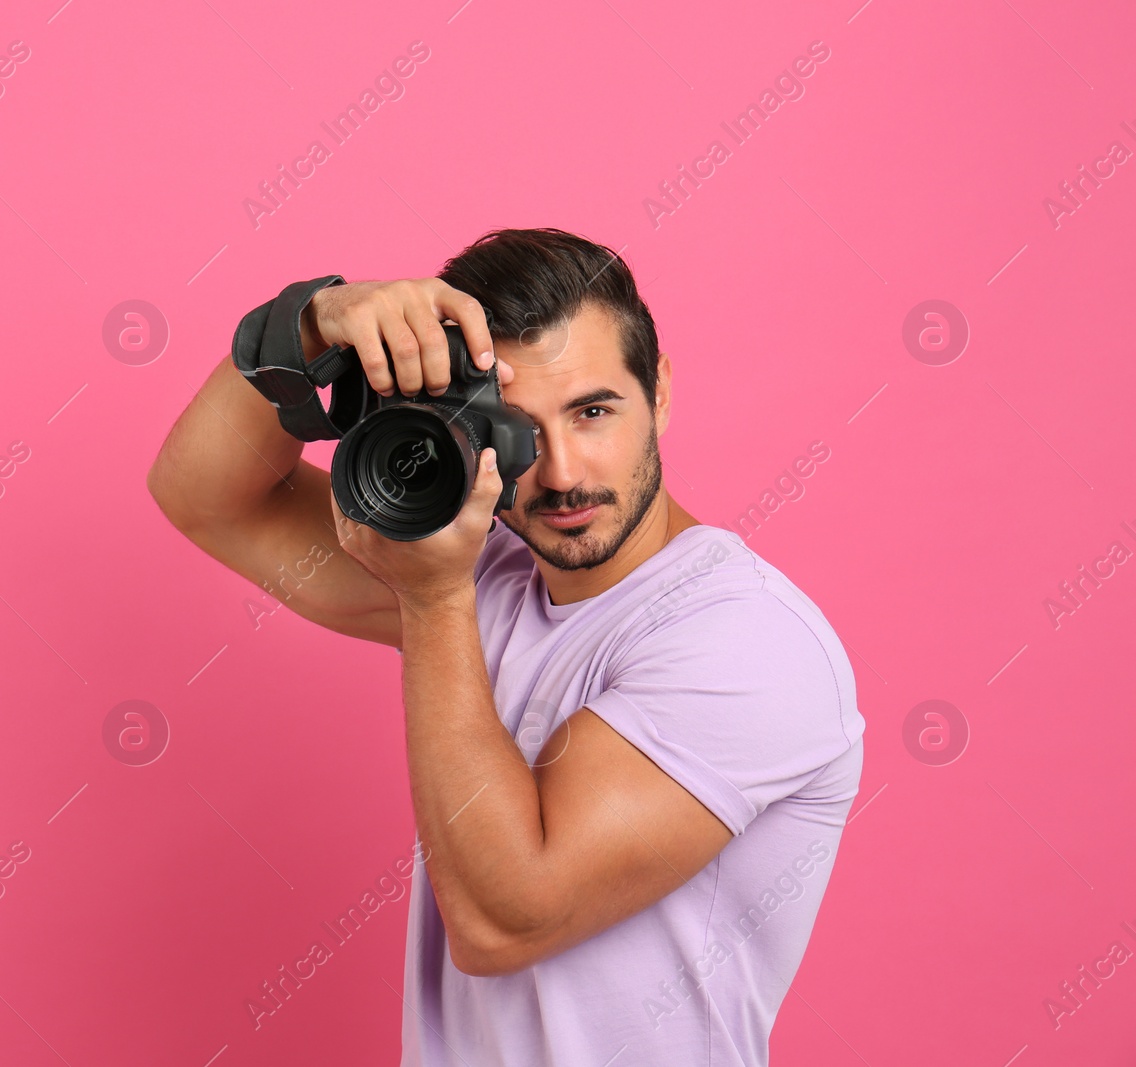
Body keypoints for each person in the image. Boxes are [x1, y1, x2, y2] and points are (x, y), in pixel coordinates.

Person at [146, 227, 865, 1066]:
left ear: (659, 390)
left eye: (594, 411)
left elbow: (505, 919)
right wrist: (310, 327)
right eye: (519, 428)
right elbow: (207, 495)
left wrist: (435, 597)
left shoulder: (746, 641)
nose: (561, 472)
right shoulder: (484, 578)